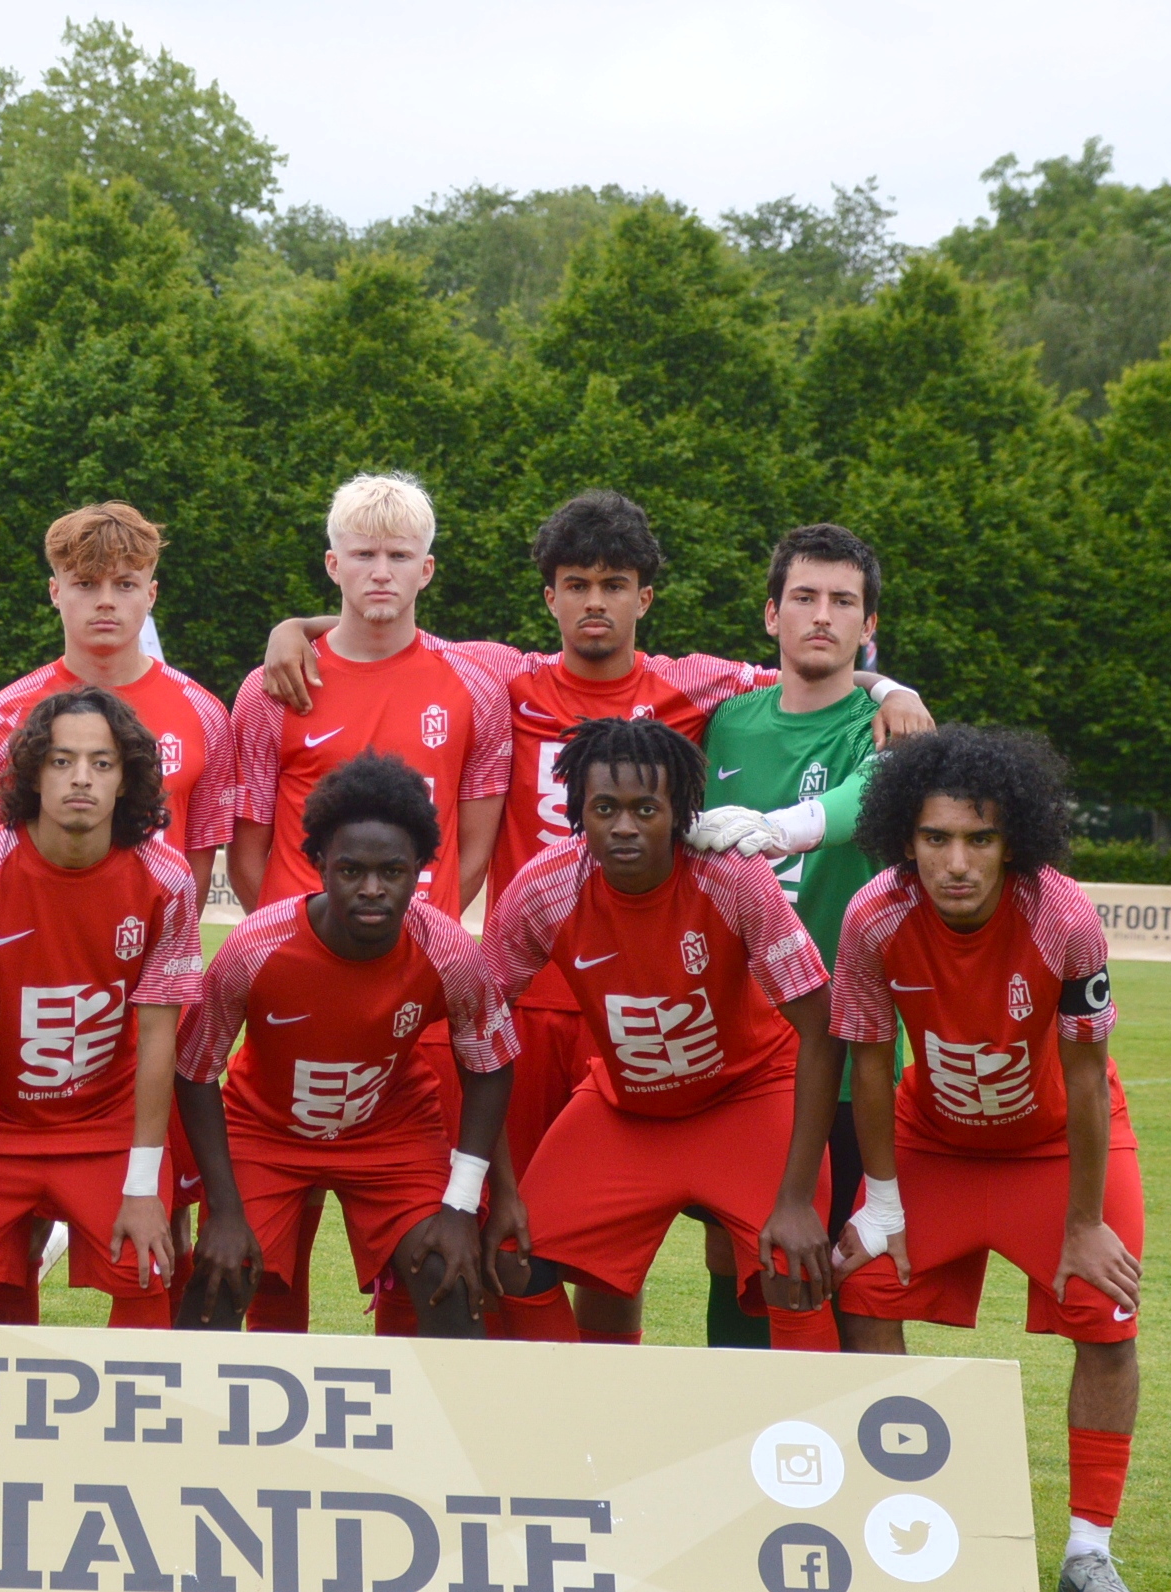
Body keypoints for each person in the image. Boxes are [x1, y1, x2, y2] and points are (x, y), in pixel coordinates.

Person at [264, 489, 929, 1342]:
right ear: (548, 596)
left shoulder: (693, 685)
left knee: (665, 1252)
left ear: (642, 598)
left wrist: (890, 684)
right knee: (508, 1236)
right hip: (533, 999)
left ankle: (631, 1383)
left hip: (658, 1000)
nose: (593, 602)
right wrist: (296, 628)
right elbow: (386, 620)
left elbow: (813, 666)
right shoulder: (497, 672)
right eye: (575, 584)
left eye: (613, 585)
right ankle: (513, 1393)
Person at [828, 726, 1150, 1592]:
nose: (956, 862)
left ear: (1014, 842)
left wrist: (1083, 1221)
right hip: (934, 1138)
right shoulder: (873, 915)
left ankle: (1088, 1550)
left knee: (1107, 1315)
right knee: (864, 1291)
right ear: (905, 838)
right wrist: (880, 1202)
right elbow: (867, 1063)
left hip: (1055, 1144)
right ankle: (896, 1511)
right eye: (935, 838)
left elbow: (1085, 1075)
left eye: (979, 838)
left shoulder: (1062, 916)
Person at [228, 471, 512, 1333]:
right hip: (292, 990)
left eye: (398, 555)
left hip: (412, 992)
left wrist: (413, 945)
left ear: (427, 568)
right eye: (362, 555)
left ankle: (402, 1399)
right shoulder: (272, 686)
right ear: (332, 565)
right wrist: (299, 948)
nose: (379, 571)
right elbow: (249, 851)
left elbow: (470, 846)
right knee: (264, 1255)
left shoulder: (474, 685)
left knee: (417, 1247)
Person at [482, 717, 843, 1352]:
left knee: (795, 1268)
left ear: (680, 814)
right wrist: (500, 1190)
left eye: (646, 809)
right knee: (515, 1257)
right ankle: (586, 1405)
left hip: (748, 1098)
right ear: (577, 812)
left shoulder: (732, 875)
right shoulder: (543, 889)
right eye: (605, 808)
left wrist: (795, 1200)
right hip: (628, 1109)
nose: (624, 826)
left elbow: (823, 1027)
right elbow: (479, 1024)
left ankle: (808, 1417)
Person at [0, 503, 235, 1320]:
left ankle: (155, 1387)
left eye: (124, 583)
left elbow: (194, 868)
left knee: (160, 1217)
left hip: (146, 1000)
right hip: (26, 1006)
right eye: (84, 584)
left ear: (152, 591)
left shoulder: (203, 712)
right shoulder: (1, 718)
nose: (105, 601)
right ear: (54, 591)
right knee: (1, 1239)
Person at [177, 752, 521, 1334]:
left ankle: (441, 1400)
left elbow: (489, 1066)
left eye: (392, 872)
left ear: (420, 869)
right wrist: (225, 1209)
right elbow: (195, 1070)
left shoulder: (449, 951)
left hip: (390, 1133)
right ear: (318, 864)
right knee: (221, 1274)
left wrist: (463, 1203)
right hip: (266, 1131)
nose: (372, 889)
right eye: (351, 871)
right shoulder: (255, 947)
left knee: (450, 1272)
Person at [0, 686, 204, 1330]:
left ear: (126, 779)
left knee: (143, 1267)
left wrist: (142, 1185)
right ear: (33, 773)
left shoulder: (167, 878)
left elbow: (160, 1039)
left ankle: (134, 1402)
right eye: (62, 761)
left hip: (106, 1121)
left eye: (102, 763)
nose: (81, 779)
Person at [682, 523, 891, 1346]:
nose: (821, 615)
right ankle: (731, 1416)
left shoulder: (886, 724)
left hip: (842, 1051)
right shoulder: (723, 721)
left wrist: (775, 828)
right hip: (730, 1050)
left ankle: (845, 1422)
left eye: (842, 601)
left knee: (837, 1268)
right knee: (730, 1255)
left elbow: (867, 801)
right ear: (771, 615)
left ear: (867, 626)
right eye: (803, 597)